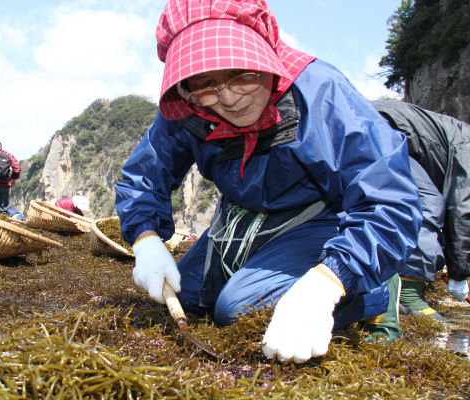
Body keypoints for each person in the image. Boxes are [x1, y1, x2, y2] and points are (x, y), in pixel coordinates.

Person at [115, 0, 423, 364]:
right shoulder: (190, 105)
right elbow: (143, 176)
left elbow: (391, 201)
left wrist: (328, 281)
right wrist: (146, 238)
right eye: (206, 84)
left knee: (239, 311)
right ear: (186, 86)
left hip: (318, 218)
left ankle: (373, 290)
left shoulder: (320, 92)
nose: (228, 99)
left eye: (243, 75)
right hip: (242, 219)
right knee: (187, 297)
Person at [373, 99, 470, 312]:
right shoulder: (467, 145)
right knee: (427, 201)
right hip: (380, 125)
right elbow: (461, 210)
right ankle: (408, 290)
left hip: (381, 125)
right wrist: (459, 275)